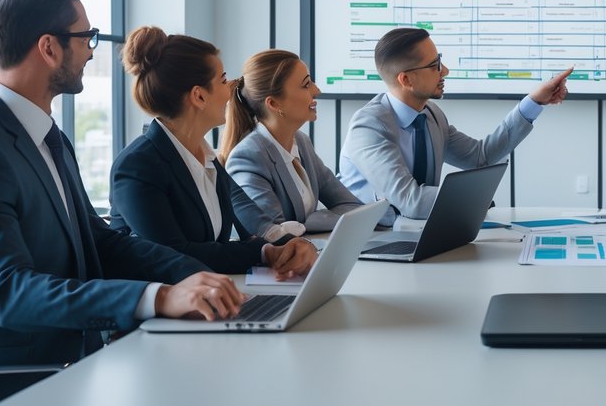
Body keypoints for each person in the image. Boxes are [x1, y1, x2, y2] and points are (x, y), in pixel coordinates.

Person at [0, 0, 243, 406]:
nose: (91, 49)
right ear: (49, 48)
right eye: (86, 37)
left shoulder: (45, 136)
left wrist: (196, 277)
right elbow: (7, 292)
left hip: (70, 360)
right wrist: (158, 297)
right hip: (3, 387)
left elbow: (99, 240)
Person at [108, 27, 317, 277]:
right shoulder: (138, 166)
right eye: (222, 79)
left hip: (206, 294)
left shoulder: (205, 157)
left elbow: (245, 225)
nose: (230, 88)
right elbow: (175, 254)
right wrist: (263, 253)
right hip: (159, 306)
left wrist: (287, 247)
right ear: (199, 96)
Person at [339, 27, 572, 221]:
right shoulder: (368, 127)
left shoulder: (431, 115)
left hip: (416, 232)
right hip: (369, 244)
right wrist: (475, 200)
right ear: (406, 79)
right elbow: (410, 201)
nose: (445, 71)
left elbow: (481, 157)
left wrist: (534, 102)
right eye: (435, 65)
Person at [222, 49, 363, 233]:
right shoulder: (247, 157)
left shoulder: (301, 142)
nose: (316, 90)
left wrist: (310, 222)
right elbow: (274, 233)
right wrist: (310, 223)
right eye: (306, 85)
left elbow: (351, 205)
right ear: (273, 104)